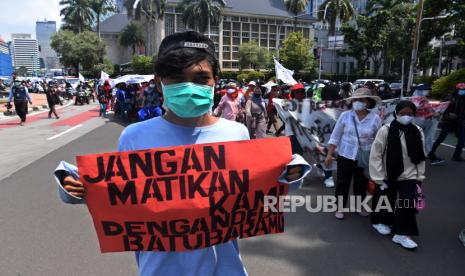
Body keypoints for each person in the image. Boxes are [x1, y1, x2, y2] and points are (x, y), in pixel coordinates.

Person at [53, 31, 310, 276]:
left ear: (214, 81)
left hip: (224, 268)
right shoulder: (134, 137)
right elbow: (120, 197)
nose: (189, 88)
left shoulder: (236, 133)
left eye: (200, 79)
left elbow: (258, 190)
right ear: (159, 82)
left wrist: (290, 172)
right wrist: (76, 185)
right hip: (161, 269)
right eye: (177, 78)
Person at [369, 100, 426, 249]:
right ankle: (381, 221)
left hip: (409, 174)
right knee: (386, 199)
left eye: (410, 114)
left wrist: (420, 176)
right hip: (389, 173)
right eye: (402, 114)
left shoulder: (417, 131)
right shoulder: (386, 130)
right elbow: (376, 154)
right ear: (396, 113)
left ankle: (401, 234)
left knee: (407, 202)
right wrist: (378, 177)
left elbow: (421, 155)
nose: (406, 116)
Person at [325, 88, 382, 220]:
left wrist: (377, 158)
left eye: (361, 100)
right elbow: (335, 136)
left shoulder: (375, 119)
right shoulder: (345, 116)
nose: (357, 102)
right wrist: (329, 154)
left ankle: (358, 206)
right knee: (342, 182)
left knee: (361, 183)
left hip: (363, 157)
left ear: (368, 102)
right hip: (345, 154)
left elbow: (379, 140)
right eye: (355, 99)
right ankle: (339, 207)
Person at [428, 83, 465, 163]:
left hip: (458, 122)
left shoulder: (463, 99)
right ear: (457, 89)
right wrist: (447, 115)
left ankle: (456, 156)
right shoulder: (450, 98)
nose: (462, 91)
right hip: (448, 122)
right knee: (441, 138)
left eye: (463, 89)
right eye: (461, 89)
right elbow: (440, 108)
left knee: (462, 139)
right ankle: (430, 152)